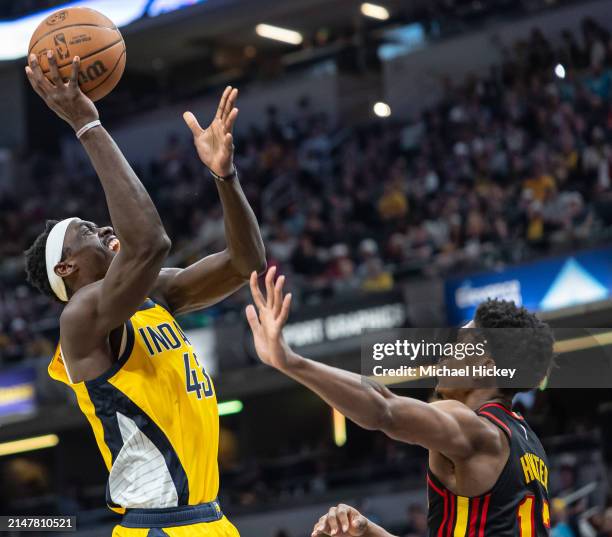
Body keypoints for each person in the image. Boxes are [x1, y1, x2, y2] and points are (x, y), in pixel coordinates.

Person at [24, 51, 265, 536]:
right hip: (157, 525)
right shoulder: (81, 319)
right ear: (67, 267)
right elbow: (150, 241)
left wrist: (224, 176)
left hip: (210, 519)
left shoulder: (154, 295)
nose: (105, 226)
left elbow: (246, 264)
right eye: (88, 230)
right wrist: (88, 125)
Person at [245, 268, 554, 537]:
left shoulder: (473, 427)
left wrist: (291, 361)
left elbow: (384, 409)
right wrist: (367, 531)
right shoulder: (529, 445)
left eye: (461, 344)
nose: (446, 352)